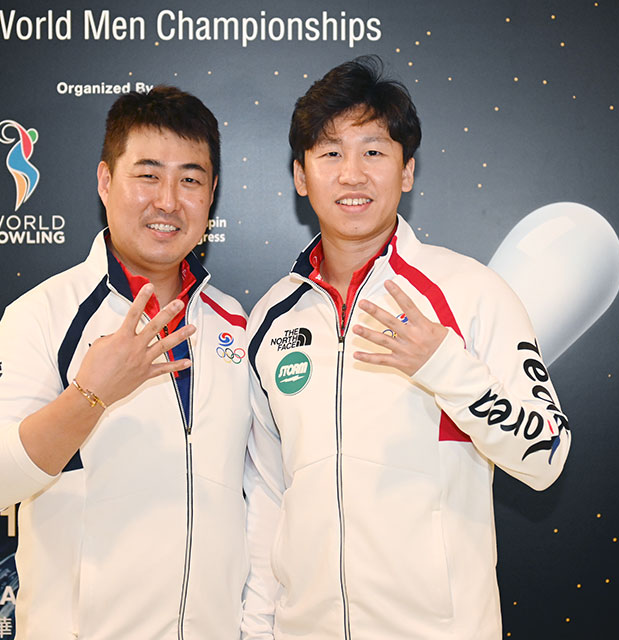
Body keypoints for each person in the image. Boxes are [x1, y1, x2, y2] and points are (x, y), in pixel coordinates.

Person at [242, 56, 571, 639]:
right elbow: (270, 495)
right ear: (300, 176)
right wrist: (257, 628)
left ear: (407, 171)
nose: (352, 174)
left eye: (373, 151)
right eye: (330, 153)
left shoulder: (471, 293)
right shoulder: (272, 317)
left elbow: (546, 454)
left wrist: (444, 365)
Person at [0, 86, 251, 640]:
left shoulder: (233, 320)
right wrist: (87, 397)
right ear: (105, 181)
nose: (168, 201)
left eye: (190, 180)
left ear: (211, 194)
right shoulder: (45, 313)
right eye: (147, 175)